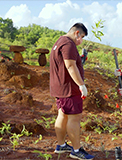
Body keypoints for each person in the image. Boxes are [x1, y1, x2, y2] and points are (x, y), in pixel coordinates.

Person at [50, 22, 94, 160]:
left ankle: (61, 145)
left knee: (62, 115)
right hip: (69, 89)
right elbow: (70, 66)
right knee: (74, 118)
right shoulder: (68, 44)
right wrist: (81, 85)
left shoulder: (60, 41)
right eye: (82, 37)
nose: (81, 41)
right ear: (77, 33)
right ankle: (76, 150)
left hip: (60, 87)